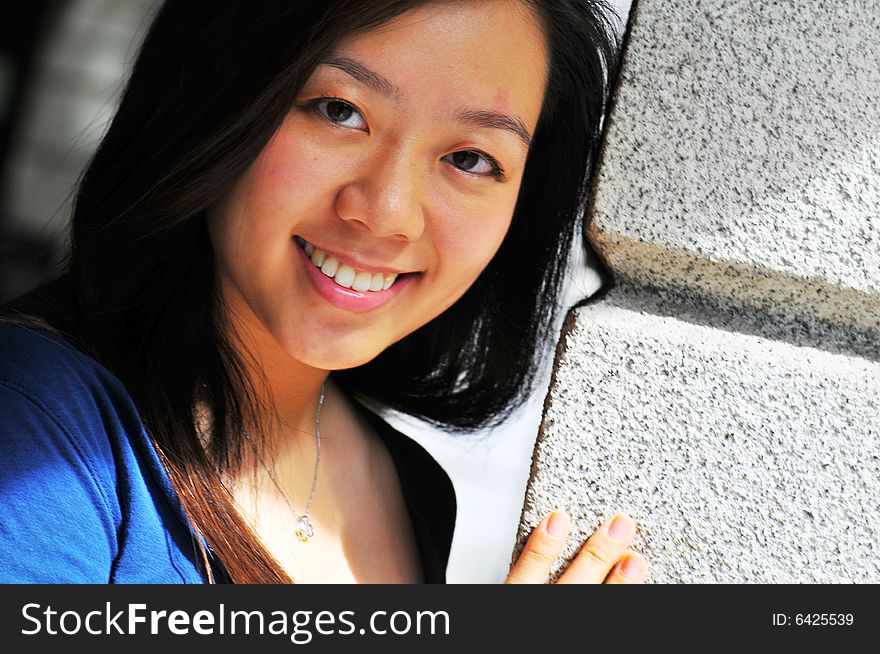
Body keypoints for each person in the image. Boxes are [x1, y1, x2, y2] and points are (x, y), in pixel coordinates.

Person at [0, 0, 647, 584]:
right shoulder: (36, 415)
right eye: (341, 111)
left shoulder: (411, 486)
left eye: (471, 158)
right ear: (218, 99)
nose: (389, 211)